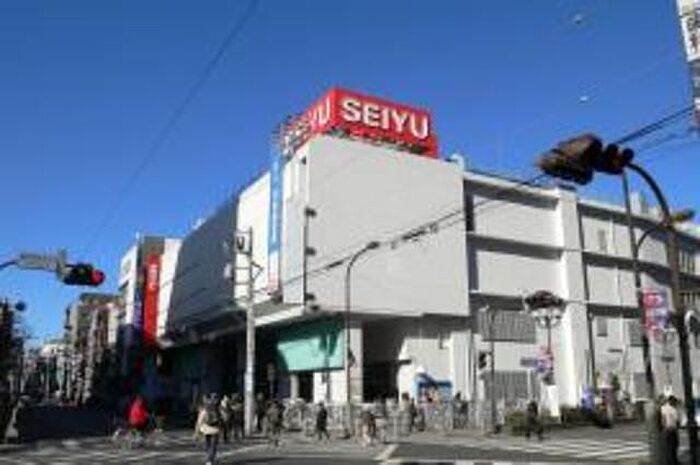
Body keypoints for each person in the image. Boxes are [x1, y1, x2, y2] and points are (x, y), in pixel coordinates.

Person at [195, 393, 221, 465]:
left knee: (208, 445)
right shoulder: (217, 409)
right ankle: (210, 460)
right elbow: (220, 420)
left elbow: (199, 422)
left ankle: (209, 459)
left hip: (206, 430)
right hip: (215, 430)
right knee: (213, 446)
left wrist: (197, 432)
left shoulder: (204, 410)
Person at [660, 395, 680, 465]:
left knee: (668, 448)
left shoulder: (663, 408)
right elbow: (677, 421)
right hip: (672, 430)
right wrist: (677, 427)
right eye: (675, 402)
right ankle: (674, 462)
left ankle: (669, 462)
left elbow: (663, 419)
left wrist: (664, 428)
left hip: (666, 430)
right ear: (672, 401)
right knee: (674, 447)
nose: (675, 404)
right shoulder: (673, 409)